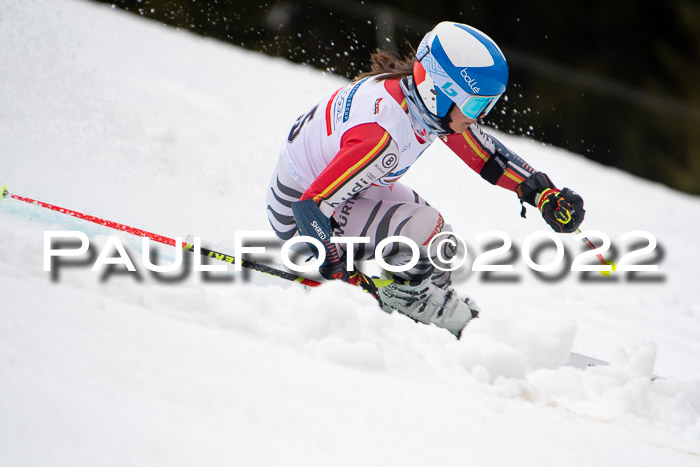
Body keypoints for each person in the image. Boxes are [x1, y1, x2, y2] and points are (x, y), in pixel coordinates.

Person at [266, 21, 584, 338]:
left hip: (340, 194)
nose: (481, 116)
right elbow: (310, 208)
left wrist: (544, 194)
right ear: (439, 91)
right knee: (425, 227)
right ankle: (412, 301)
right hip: (299, 215)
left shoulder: (420, 101)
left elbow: (487, 157)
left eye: (488, 104)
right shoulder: (383, 136)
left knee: (440, 241)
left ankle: (425, 298)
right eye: (476, 103)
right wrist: (338, 275)